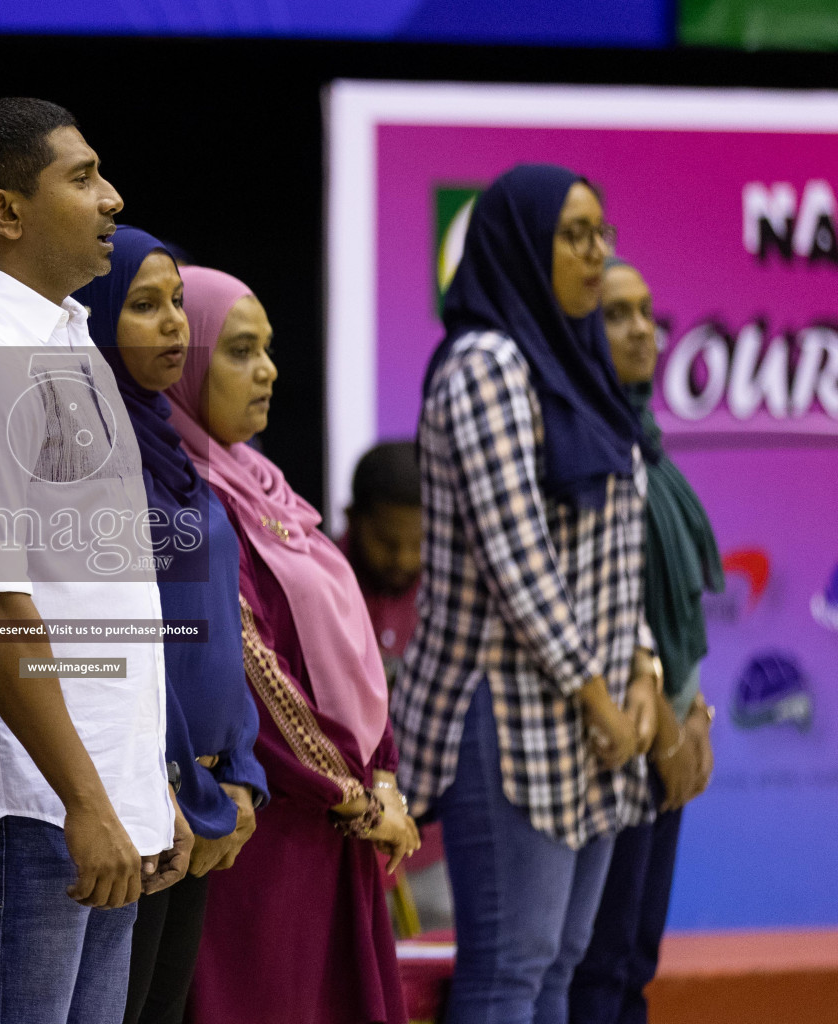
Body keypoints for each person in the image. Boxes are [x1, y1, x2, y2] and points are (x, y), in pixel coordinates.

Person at [0, 98, 190, 1024]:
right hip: (30, 802)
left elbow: (94, 593)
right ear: (7, 211)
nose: (112, 198)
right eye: (83, 176)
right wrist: (86, 798)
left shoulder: (60, 337)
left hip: (91, 792)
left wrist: (143, 784)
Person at [392, 164, 659, 1024]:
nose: (594, 253)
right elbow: (519, 562)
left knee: (561, 964)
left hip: (598, 711)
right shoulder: (484, 364)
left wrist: (644, 673)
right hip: (512, 710)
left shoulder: (579, 364)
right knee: (512, 968)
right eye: (573, 235)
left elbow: (620, 552)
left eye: (600, 233)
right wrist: (601, 700)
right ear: (520, 244)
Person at [169, 267, 417, 1024]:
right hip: (262, 830)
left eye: (269, 349)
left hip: (328, 822)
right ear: (187, 364)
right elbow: (252, 670)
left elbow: (343, 657)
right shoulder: (189, 498)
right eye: (241, 351)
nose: (269, 370)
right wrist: (351, 792)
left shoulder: (264, 485)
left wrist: (382, 775)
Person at [70, 229, 268, 1024]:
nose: (174, 325)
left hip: (211, 789)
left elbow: (223, 631)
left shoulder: (178, 454)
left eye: (179, 303)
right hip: (152, 794)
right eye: (145, 306)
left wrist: (244, 772)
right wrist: (191, 784)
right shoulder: (90, 457)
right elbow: (128, 648)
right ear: (96, 317)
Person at [568, 259, 720, 1024]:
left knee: (636, 959)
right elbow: (602, 608)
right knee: (598, 964)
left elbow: (678, 609)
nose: (640, 331)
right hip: (619, 734)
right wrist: (662, 727)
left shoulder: (649, 447)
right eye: (616, 313)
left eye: (647, 314)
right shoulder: (581, 445)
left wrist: (696, 716)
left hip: (670, 725)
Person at [340, 440, 422, 680]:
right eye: (387, 542)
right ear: (352, 519)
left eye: (419, 543)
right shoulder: (316, 584)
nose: (404, 560)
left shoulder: (448, 591)